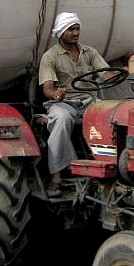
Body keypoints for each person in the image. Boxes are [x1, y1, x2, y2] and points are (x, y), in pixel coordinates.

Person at [38, 12, 116, 196]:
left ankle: (111, 167)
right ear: (61, 32)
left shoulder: (89, 53)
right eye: (70, 29)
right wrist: (56, 93)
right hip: (63, 103)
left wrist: (125, 72)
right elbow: (47, 90)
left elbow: (106, 74)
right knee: (61, 119)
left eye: (77, 28)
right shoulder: (50, 57)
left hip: (89, 101)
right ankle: (56, 178)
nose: (75, 33)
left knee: (113, 114)